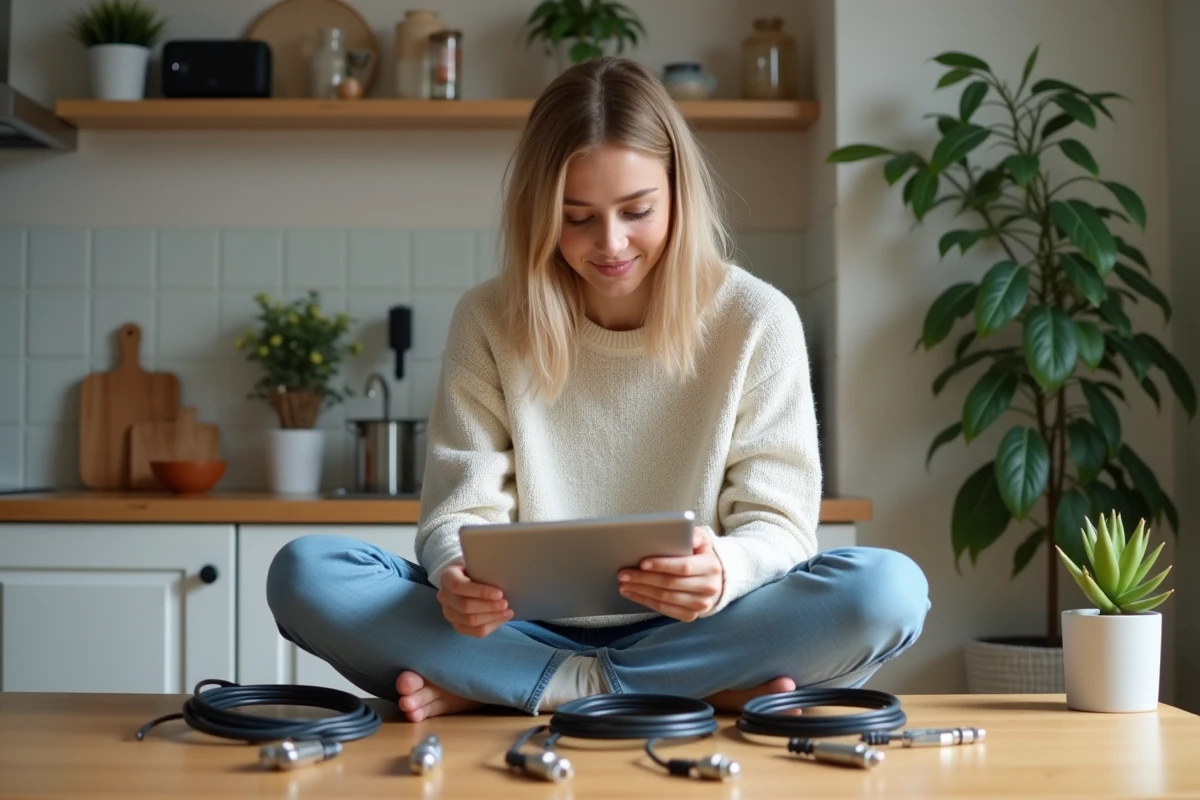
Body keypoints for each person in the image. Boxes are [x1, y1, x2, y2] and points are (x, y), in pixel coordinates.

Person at [267, 56, 930, 723]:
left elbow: (781, 525)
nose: (610, 244)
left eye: (637, 211)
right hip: (519, 630)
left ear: (678, 194)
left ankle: (515, 688)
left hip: (696, 631)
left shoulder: (757, 319)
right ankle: (668, 694)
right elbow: (456, 516)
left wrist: (726, 568)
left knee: (888, 591)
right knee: (307, 574)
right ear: (539, 213)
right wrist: (454, 575)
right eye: (576, 217)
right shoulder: (488, 318)